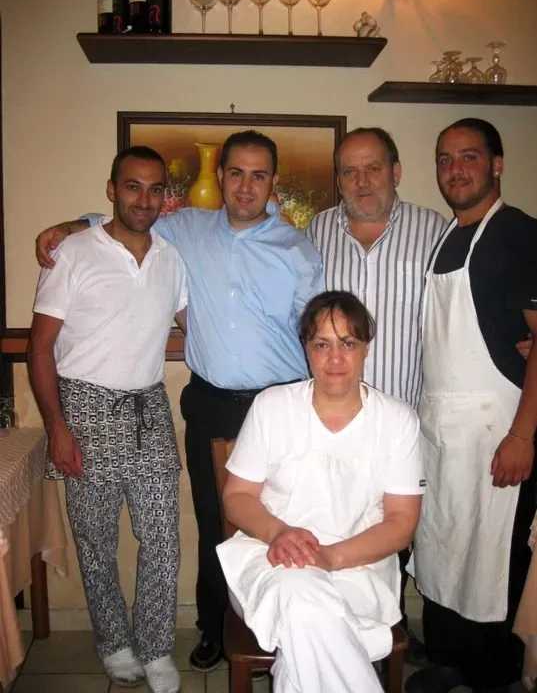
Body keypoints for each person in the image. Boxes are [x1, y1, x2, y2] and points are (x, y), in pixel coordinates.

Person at [34, 130, 324, 672]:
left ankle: (285, 628)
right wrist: (70, 226)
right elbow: (124, 223)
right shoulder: (186, 228)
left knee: (282, 518)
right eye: (236, 172)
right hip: (211, 403)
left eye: (258, 175)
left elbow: (314, 333)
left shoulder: (298, 248)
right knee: (215, 525)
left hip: (280, 405)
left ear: (274, 182)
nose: (246, 186)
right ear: (221, 176)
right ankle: (215, 630)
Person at [28, 146, 188, 693]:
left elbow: (196, 319)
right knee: (96, 542)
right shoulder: (74, 251)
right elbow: (40, 348)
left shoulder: (171, 257)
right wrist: (57, 427)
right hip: (84, 408)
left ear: (165, 196)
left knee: (162, 537)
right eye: (132, 186)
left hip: (149, 407)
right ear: (111, 190)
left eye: (154, 188)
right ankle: (115, 643)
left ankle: (156, 647)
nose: (143, 199)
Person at [216, 290, 425, 693]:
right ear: (306, 349)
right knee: (300, 595)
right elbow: (236, 498)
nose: (335, 359)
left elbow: (402, 524)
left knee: (303, 619)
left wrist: (329, 557)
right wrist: (279, 533)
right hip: (270, 558)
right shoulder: (273, 406)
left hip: (360, 567)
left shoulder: (398, 421)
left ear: (366, 348)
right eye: (322, 345)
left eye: (348, 343)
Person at [305, 127, 447, 662]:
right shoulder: (316, 231)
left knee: (398, 535)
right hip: (332, 421)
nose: (362, 181)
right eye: (349, 171)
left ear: (396, 171)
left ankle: (390, 633)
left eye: (373, 168)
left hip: (401, 422)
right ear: (337, 179)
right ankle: (331, 634)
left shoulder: (435, 231)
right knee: (333, 525)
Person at [406, 118, 537, 693]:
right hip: (441, 431)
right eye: (445, 159)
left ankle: (492, 677)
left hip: (496, 432)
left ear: (497, 164)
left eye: (468, 157)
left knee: (492, 560)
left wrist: (523, 436)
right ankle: (449, 662)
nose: (454, 170)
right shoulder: (448, 236)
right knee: (443, 545)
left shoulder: (518, 234)